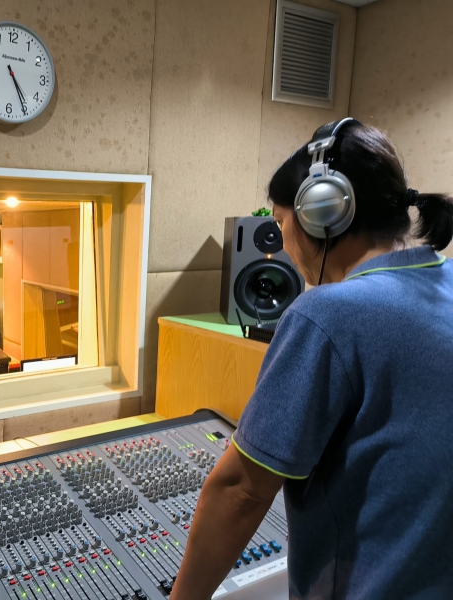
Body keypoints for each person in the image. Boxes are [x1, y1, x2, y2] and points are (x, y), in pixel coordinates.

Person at [171, 120, 453, 599]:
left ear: (326, 212)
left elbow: (241, 489)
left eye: (281, 222)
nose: (282, 242)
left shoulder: (329, 314)